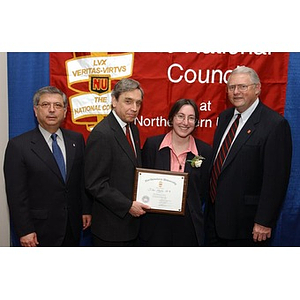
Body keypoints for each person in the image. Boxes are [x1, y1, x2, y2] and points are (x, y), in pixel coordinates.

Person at [206, 66, 292, 246]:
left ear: (257, 88)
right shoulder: (224, 118)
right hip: (214, 219)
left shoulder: (274, 125)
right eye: (231, 87)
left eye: (243, 87)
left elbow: (276, 180)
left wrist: (264, 221)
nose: (236, 92)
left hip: (247, 224)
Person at [3, 86, 92, 247]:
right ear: (35, 111)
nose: (52, 110)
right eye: (45, 105)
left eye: (58, 105)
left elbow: (80, 180)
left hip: (72, 226)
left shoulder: (76, 140)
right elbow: (16, 195)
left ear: (65, 112)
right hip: (38, 230)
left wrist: (85, 209)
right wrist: (25, 230)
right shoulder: (18, 146)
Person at [84, 78, 150, 246]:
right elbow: (95, 184)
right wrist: (128, 205)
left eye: (138, 103)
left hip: (131, 226)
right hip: (111, 229)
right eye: (128, 101)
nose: (134, 109)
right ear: (114, 101)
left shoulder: (132, 129)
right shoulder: (102, 134)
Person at [139, 99, 212, 246]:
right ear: (171, 118)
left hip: (189, 226)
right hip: (155, 225)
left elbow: (203, 190)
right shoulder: (152, 145)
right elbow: (142, 181)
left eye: (191, 118)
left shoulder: (205, 151)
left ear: (196, 122)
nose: (185, 122)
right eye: (180, 116)